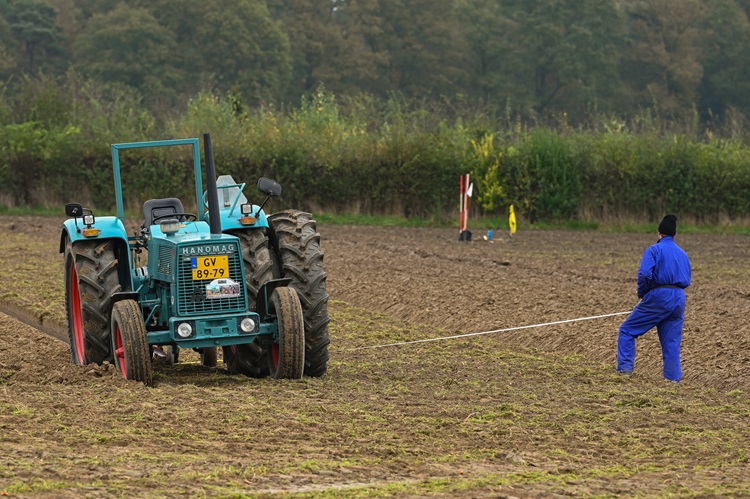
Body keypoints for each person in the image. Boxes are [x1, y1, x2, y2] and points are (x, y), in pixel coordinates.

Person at [617, 214, 692, 382]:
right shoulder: (683, 254)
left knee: (627, 330)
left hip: (660, 295)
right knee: (671, 344)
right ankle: (673, 381)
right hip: (679, 297)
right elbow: (687, 278)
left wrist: (643, 293)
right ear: (673, 234)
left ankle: (624, 371)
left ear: (659, 233)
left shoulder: (654, 250)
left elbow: (644, 274)